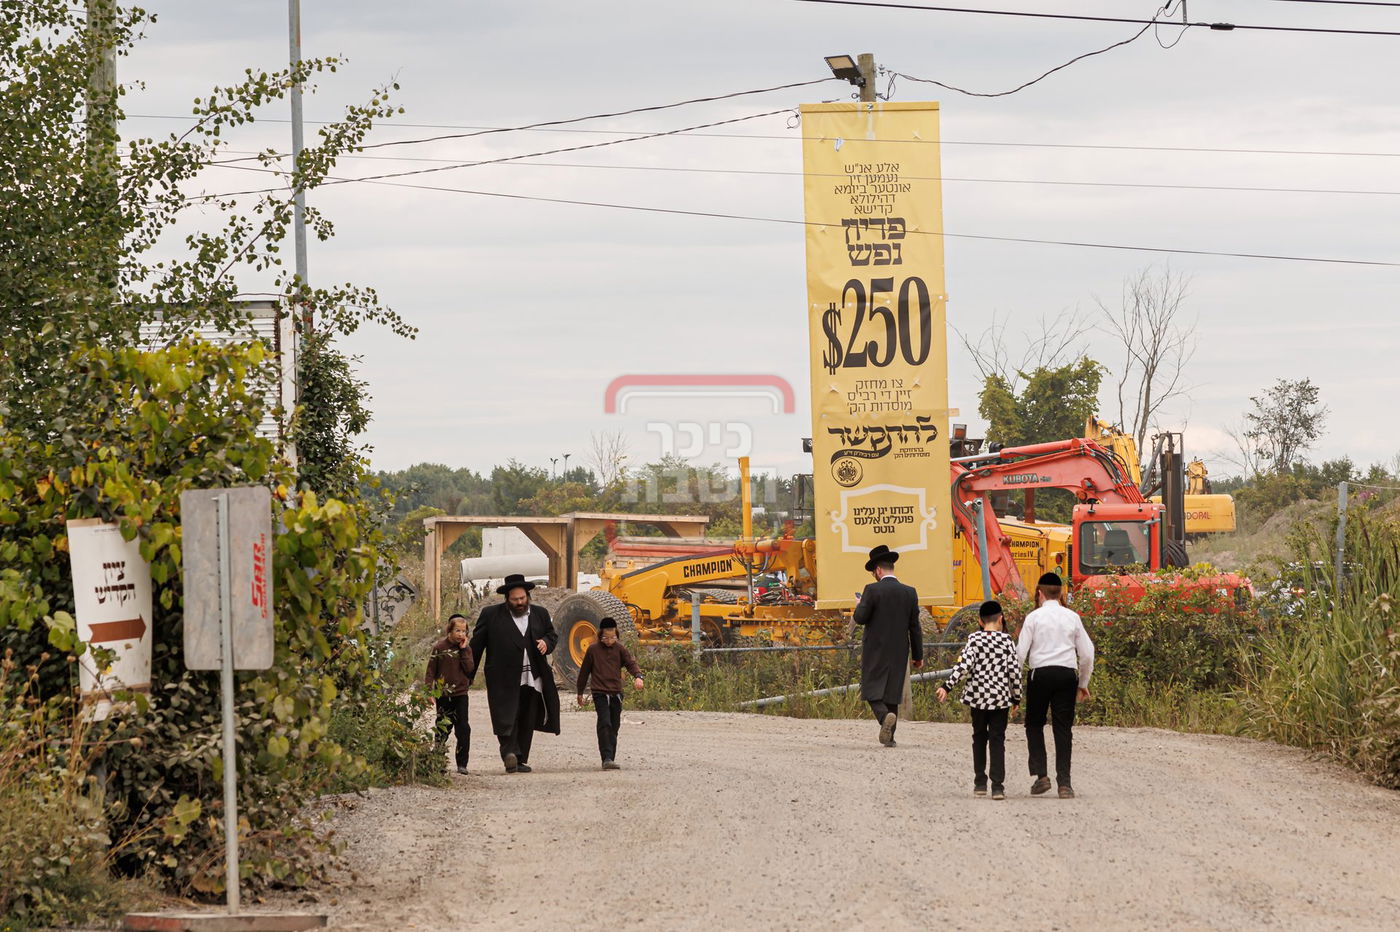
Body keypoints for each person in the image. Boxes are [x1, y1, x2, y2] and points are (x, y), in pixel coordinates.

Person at [469, 573, 561, 773]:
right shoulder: (490, 615)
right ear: (507, 599)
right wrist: (467, 675)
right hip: (502, 677)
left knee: (527, 716)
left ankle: (519, 759)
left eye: (522, 598)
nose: (519, 603)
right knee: (505, 716)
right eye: (515, 599)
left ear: (528, 596)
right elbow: (476, 647)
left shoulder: (540, 613)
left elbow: (552, 635)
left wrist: (546, 642)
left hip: (533, 676)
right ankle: (509, 753)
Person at [1017, 571, 1095, 799]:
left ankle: (1041, 776)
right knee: (1063, 728)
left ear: (1040, 593)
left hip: (1040, 674)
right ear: (1061, 594)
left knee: (1034, 724)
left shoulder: (1033, 617)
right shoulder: (1072, 617)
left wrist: (1013, 686)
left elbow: (1019, 654)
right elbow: (1087, 654)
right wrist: (1083, 682)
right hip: (1066, 675)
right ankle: (1065, 784)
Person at [936, 600, 1021, 800]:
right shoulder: (1007, 641)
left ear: (980, 621)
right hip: (1000, 699)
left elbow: (963, 666)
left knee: (979, 738)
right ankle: (998, 787)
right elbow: (1014, 672)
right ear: (1000, 619)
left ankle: (980, 783)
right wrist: (1016, 697)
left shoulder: (974, 639)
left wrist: (947, 686)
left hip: (978, 698)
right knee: (997, 740)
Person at [853, 544, 923, 747]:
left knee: (870, 688)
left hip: (875, 648)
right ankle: (890, 738)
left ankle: (884, 717)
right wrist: (918, 655)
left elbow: (860, 618)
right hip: (900, 650)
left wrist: (859, 605)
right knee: (892, 692)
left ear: (878, 570)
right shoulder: (909, 592)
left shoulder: (872, 590)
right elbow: (915, 627)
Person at [575, 616, 644, 771]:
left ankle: (610, 757)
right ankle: (606, 758)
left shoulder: (620, 649)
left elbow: (630, 664)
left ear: (616, 635)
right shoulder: (593, 650)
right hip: (599, 692)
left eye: (613, 637)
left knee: (614, 725)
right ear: (600, 635)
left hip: (616, 693)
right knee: (604, 722)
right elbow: (584, 672)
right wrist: (580, 692)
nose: (609, 641)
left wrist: (638, 676)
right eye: (606, 638)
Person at [425, 613, 476, 774]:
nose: (461, 634)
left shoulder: (466, 649)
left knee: (463, 729)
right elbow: (430, 671)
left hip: (461, 695)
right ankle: (438, 762)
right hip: (443, 696)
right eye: (457, 631)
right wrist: (429, 692)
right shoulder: (440, 647)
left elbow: (469, 669)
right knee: (442, 729)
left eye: (464, 631)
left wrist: (464, 650)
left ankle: (462, 764)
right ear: (450, 631)